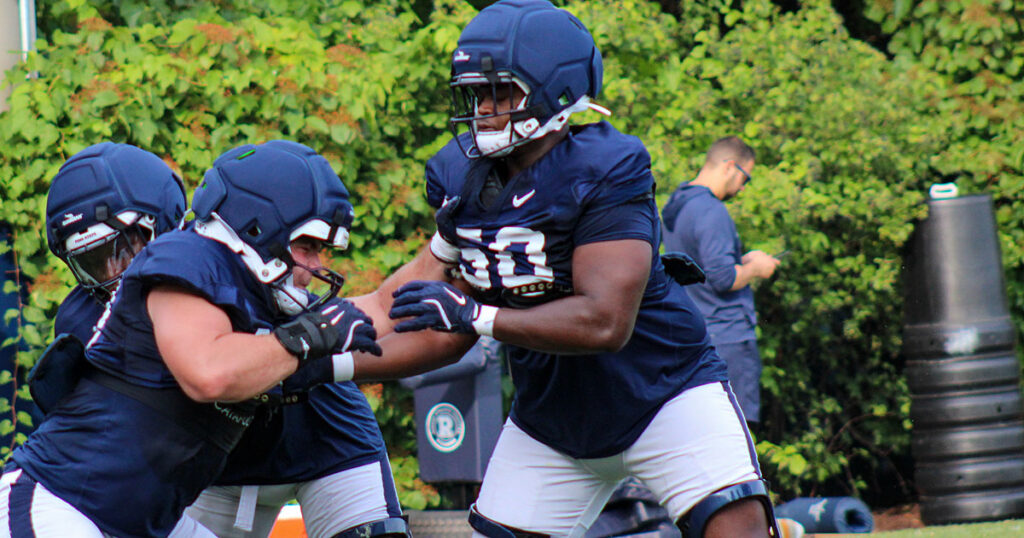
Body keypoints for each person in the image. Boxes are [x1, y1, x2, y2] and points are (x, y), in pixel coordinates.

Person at [345, 2, 781, 536]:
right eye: (475, 93)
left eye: (499, 92)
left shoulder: (608, 166)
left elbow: (604, 322)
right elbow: (410, 305)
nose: (483, 109)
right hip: (551, 417)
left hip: (662, 395)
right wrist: (314, 356)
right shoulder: (460, 176)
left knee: (737, 529)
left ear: (556, 92)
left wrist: (476, 315)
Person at [1, 140, 380, 537]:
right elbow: (208, 377)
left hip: (309, 442)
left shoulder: (236, 276)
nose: (116, 272)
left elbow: (362, 335)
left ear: (167, 226)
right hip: (118, 496)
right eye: (93, 262)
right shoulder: (89, 315)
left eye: (124, 248)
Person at [660, 136, 780, 428]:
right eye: (745, 178)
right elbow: (723, 278)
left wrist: (742, 260)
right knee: (736, 432)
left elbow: (699, 265)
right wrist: (757, 268)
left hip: (692, 334)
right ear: (730, 166)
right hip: (728, 339)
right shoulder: (712, 211)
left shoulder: (677, 203)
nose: (742, 187)